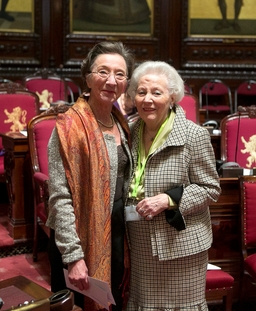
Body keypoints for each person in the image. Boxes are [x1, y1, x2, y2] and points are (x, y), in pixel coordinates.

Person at [124, 61, 221, 311]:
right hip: (141, 240)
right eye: (141, 92)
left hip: (181, 244)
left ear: (173, 97)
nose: (148, 99)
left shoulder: (193, 135)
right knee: (144, 304)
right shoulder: (131, 131)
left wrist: (168, 200)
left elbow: (210, 188)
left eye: (157, 92)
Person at [46, 41, 134, 311]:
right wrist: (73, 257)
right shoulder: (68, 128)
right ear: (87, 77)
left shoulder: (122, 123)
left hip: (116, 234)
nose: (111, 80)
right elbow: (60, 197)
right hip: (77, 238)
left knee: (112, 302)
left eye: (120, 74)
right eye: (102, 72)